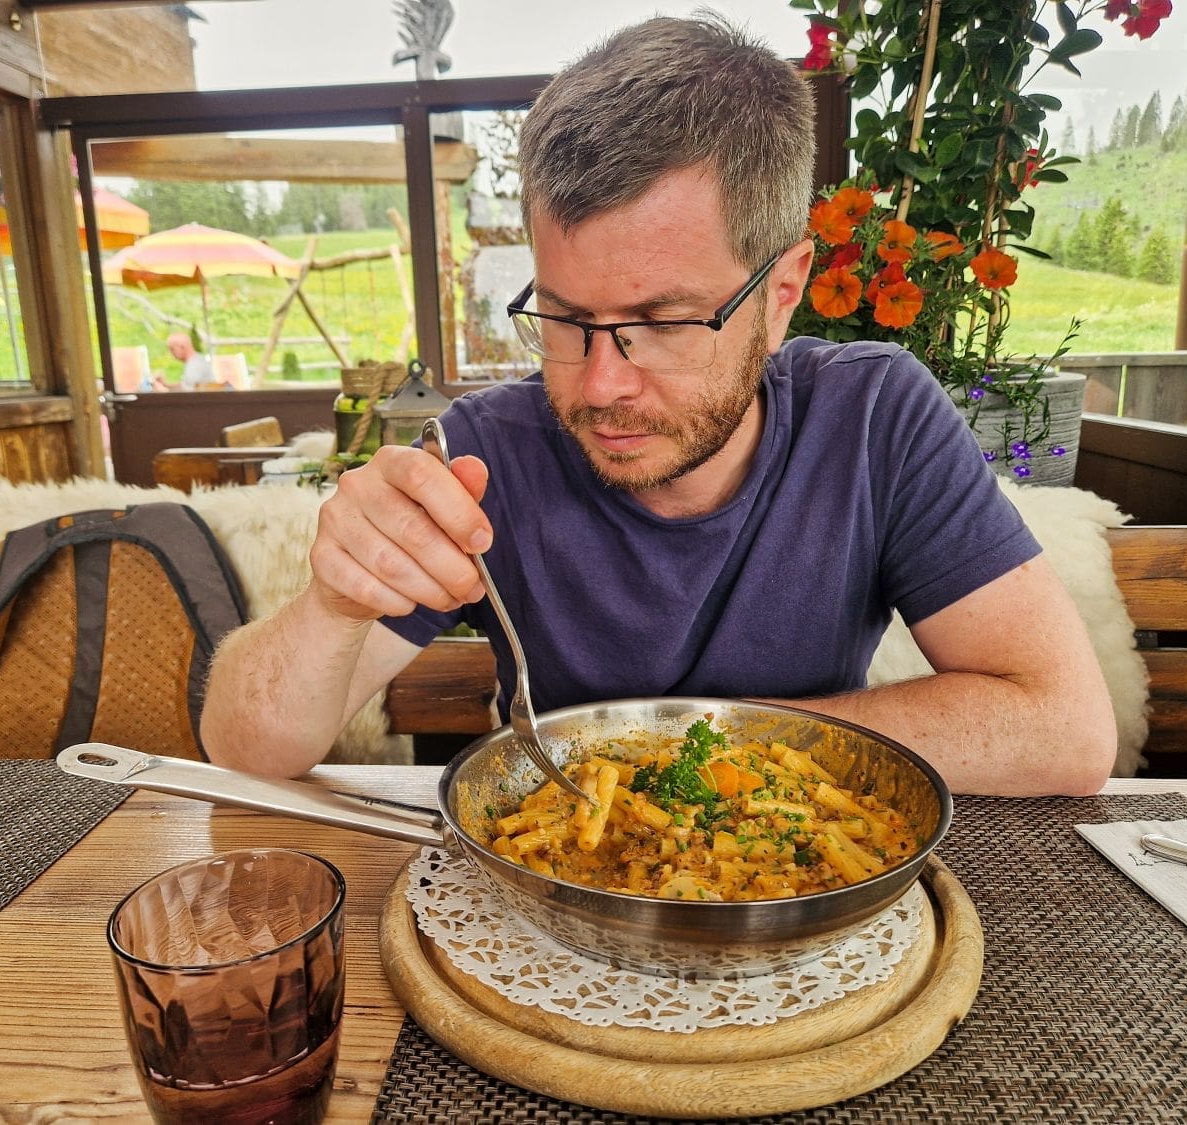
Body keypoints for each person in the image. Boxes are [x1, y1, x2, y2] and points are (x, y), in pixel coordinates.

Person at [201, 15, 1117, 796]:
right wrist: (332, 601)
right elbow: (243, 748)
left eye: (668, 321)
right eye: (564, 318)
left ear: (784, 289)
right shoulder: (486, 455)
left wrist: (679, 751)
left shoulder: (875, 419)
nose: (600, 386)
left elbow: (1066, 729)